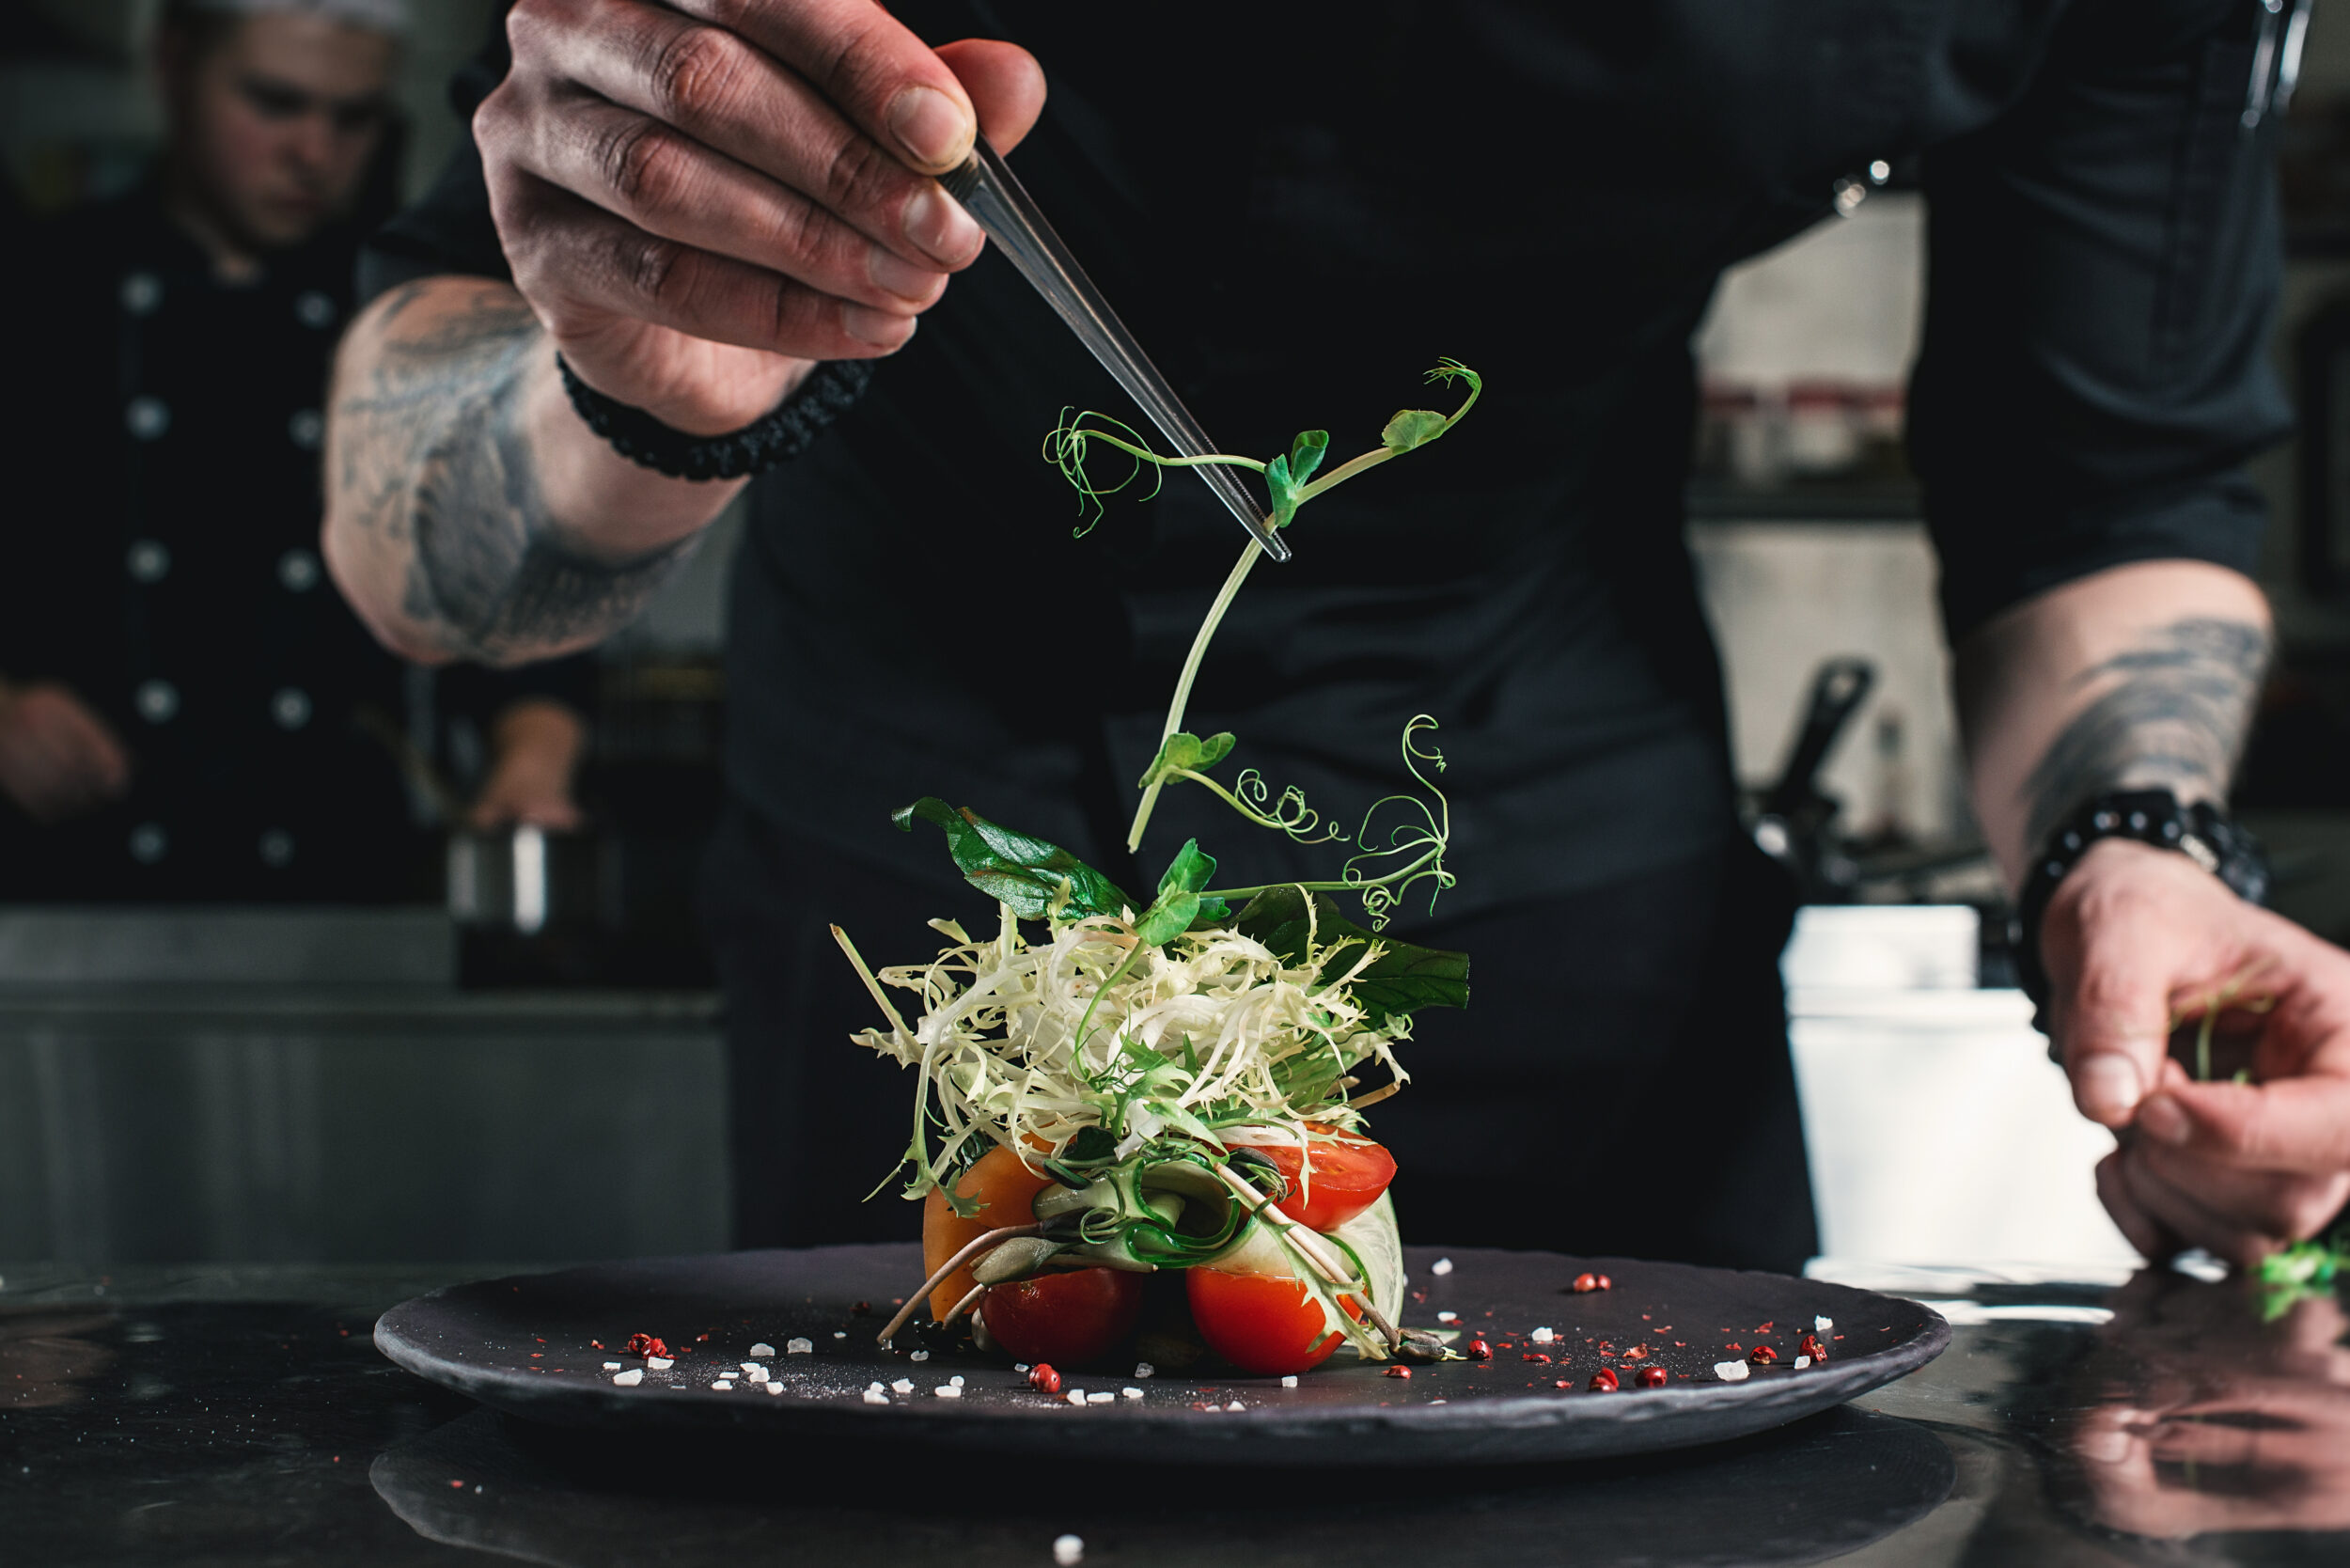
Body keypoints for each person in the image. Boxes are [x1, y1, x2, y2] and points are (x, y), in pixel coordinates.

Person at [324, 0, 2350, 1270]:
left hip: (1578, 928)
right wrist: (628, 401)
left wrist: (2133, 841)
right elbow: (409, 531)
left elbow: (2099, 482)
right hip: (917, 957)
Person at [0, 0, 588, 903]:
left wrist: (531, 763)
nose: (314, 152)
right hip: (72, 900)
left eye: (351, 118)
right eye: (274, 103)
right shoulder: (39, 292)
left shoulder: (423, 321)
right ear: (173, 62)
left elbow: (523, 610)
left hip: (345, 889)